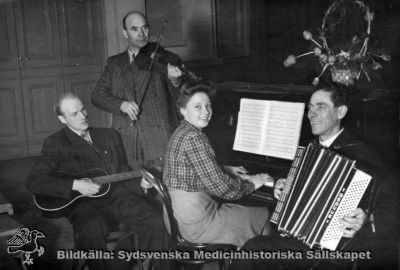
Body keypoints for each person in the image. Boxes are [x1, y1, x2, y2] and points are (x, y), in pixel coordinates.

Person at [230, 83, 386, 270]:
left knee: (254, 250)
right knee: (253, 250)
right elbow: (287, 174)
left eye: (321, 107)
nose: (312, 114)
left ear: (341, 112)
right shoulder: (307, 148)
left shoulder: (363, 154)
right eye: (310, 108)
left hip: (335, 249)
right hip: (299, 240)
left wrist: (366, 217)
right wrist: (280, 183)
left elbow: (389, 204)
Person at [26, 93, 169, 270]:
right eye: (74, 114)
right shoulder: (55, 143)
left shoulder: (109, 135)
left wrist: (142, 184)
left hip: (117, 196)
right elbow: (35, 181)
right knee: (92, 227)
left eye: (83, 109)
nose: (83, 116)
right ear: (62, 119)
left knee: (154, 219)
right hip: (84, 204)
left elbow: (122, 170)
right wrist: (76, 185)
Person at [162, 80, 273, 247]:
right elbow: (223, 189)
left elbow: (194, 170)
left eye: (208, 106)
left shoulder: (182, 132)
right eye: (197, 107)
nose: (206, 112)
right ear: (183, 110)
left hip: (176, 219)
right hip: (197, 224)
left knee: (247, 214)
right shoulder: (194, 138)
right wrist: (253, 183)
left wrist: (225, 169)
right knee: (264, 222)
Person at [92, 11, 183, 170]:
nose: (142, 34)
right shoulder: (114, 63)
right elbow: (97, 96)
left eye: (145, 28)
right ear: (125, 33)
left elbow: (181, 98)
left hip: (159, 138)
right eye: (134, 29)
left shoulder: (160, 59)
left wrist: (175, 81)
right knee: (131, 187)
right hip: (127, 139)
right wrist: (121, 104)